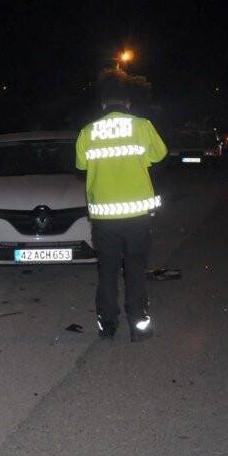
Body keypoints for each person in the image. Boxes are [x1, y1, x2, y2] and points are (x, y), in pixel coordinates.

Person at [76, 83, 167, 342]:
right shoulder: (142, 125)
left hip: (104, 218)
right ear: (128, 104)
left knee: (107, 271)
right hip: (137, 216)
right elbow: (158, 155)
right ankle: (138, 326)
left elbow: (81, 164)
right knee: (135, 269)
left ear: (103, 105)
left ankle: (108, 326)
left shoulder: (88, 131)